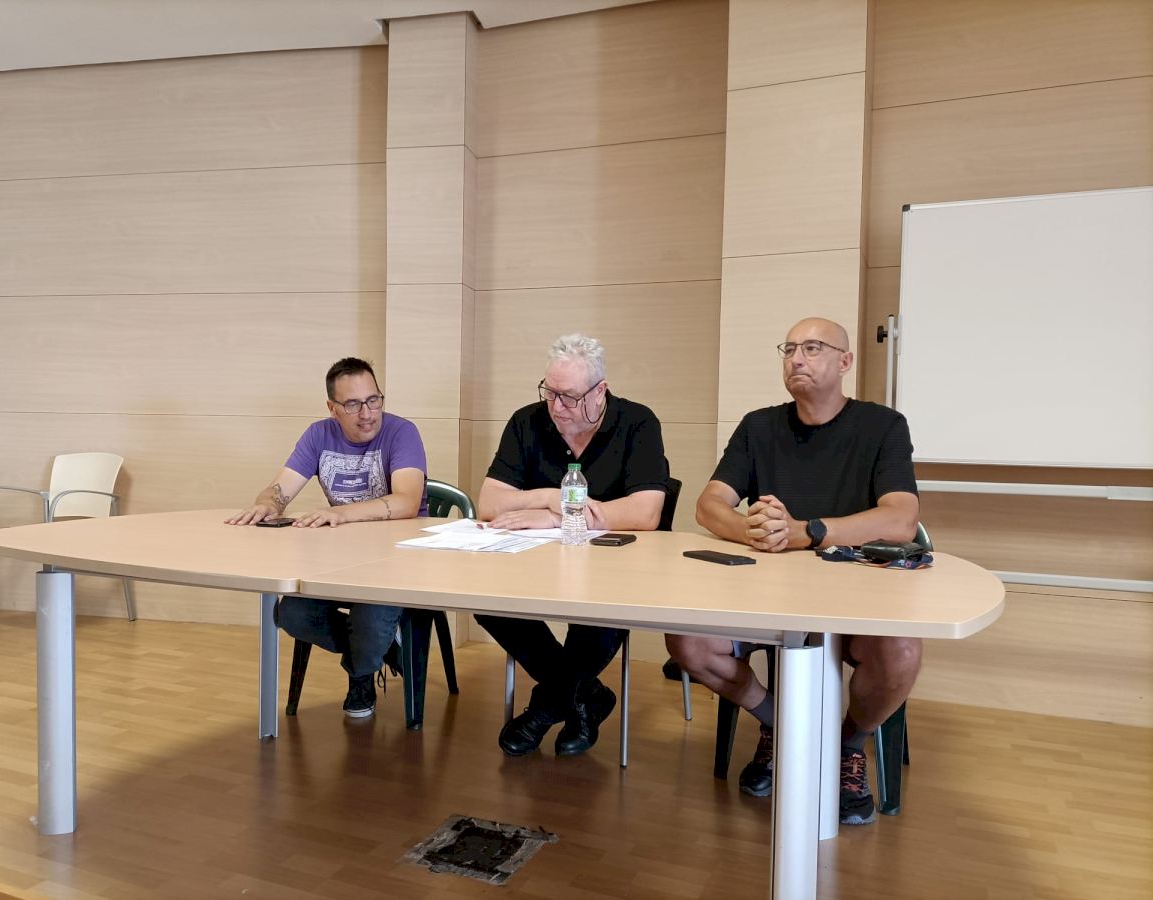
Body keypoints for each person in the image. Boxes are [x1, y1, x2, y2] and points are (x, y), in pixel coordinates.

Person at [666, 317, 920, 826]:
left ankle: (848, 744)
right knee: (687, 641)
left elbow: (900, 518)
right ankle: (780, 725)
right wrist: (751, 531)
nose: (796, 358)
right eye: (789, 349)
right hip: (765, 596)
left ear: (845, 362)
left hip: (855, 597)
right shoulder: (759, 426)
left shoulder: (883, 426)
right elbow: (709, 505)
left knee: (902, 652)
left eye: (812, 348)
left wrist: (806, 532)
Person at [475, 334, 669, 757]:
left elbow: (646, 511)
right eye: (550, 392)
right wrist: (549, 496)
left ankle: (546, 706)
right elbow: (489, 503)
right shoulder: (526, 421)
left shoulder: (638, 423)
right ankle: (587, 696)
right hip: (536, 563)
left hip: (615, 567)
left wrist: (557, 516)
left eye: (570, 396)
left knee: (597, 614)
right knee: (488, 602)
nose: (557, 406)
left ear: (600, 391)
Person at [225, 357, 427, 719]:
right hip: (342, 561)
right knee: (292, 613)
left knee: (370, 615)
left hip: (398, 561)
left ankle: (361, 673)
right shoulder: (318, 434)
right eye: (352, 404)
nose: (366, 413)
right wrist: (268, 504)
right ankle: (378, 650)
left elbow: (407, 501)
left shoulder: (402, 431)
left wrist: (341, 513)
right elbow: (279, 489)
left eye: (373, 400)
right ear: (332, 408)